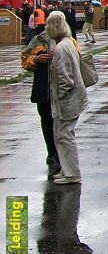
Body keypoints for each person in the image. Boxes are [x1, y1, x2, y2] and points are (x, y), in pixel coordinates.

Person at [45, 11, 88, 185]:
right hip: (73, 98)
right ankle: (67, 170)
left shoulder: (61, 48)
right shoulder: (68, 43)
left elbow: (65, 78)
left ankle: (71, 173)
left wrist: (60, 97)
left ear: (53, 26)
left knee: (64, 136)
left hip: (68, 100)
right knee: (62, 135)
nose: (46, 27)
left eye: (48, 24)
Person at [21, 24, 60, 175]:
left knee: (62, 122)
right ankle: (51, 151)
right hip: (43, 88)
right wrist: (36, 60)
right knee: (46, 120)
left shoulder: (67, 40)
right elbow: (24, 58)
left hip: (61, 89)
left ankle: (61, 153)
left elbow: (77, 59)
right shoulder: (38, 40)